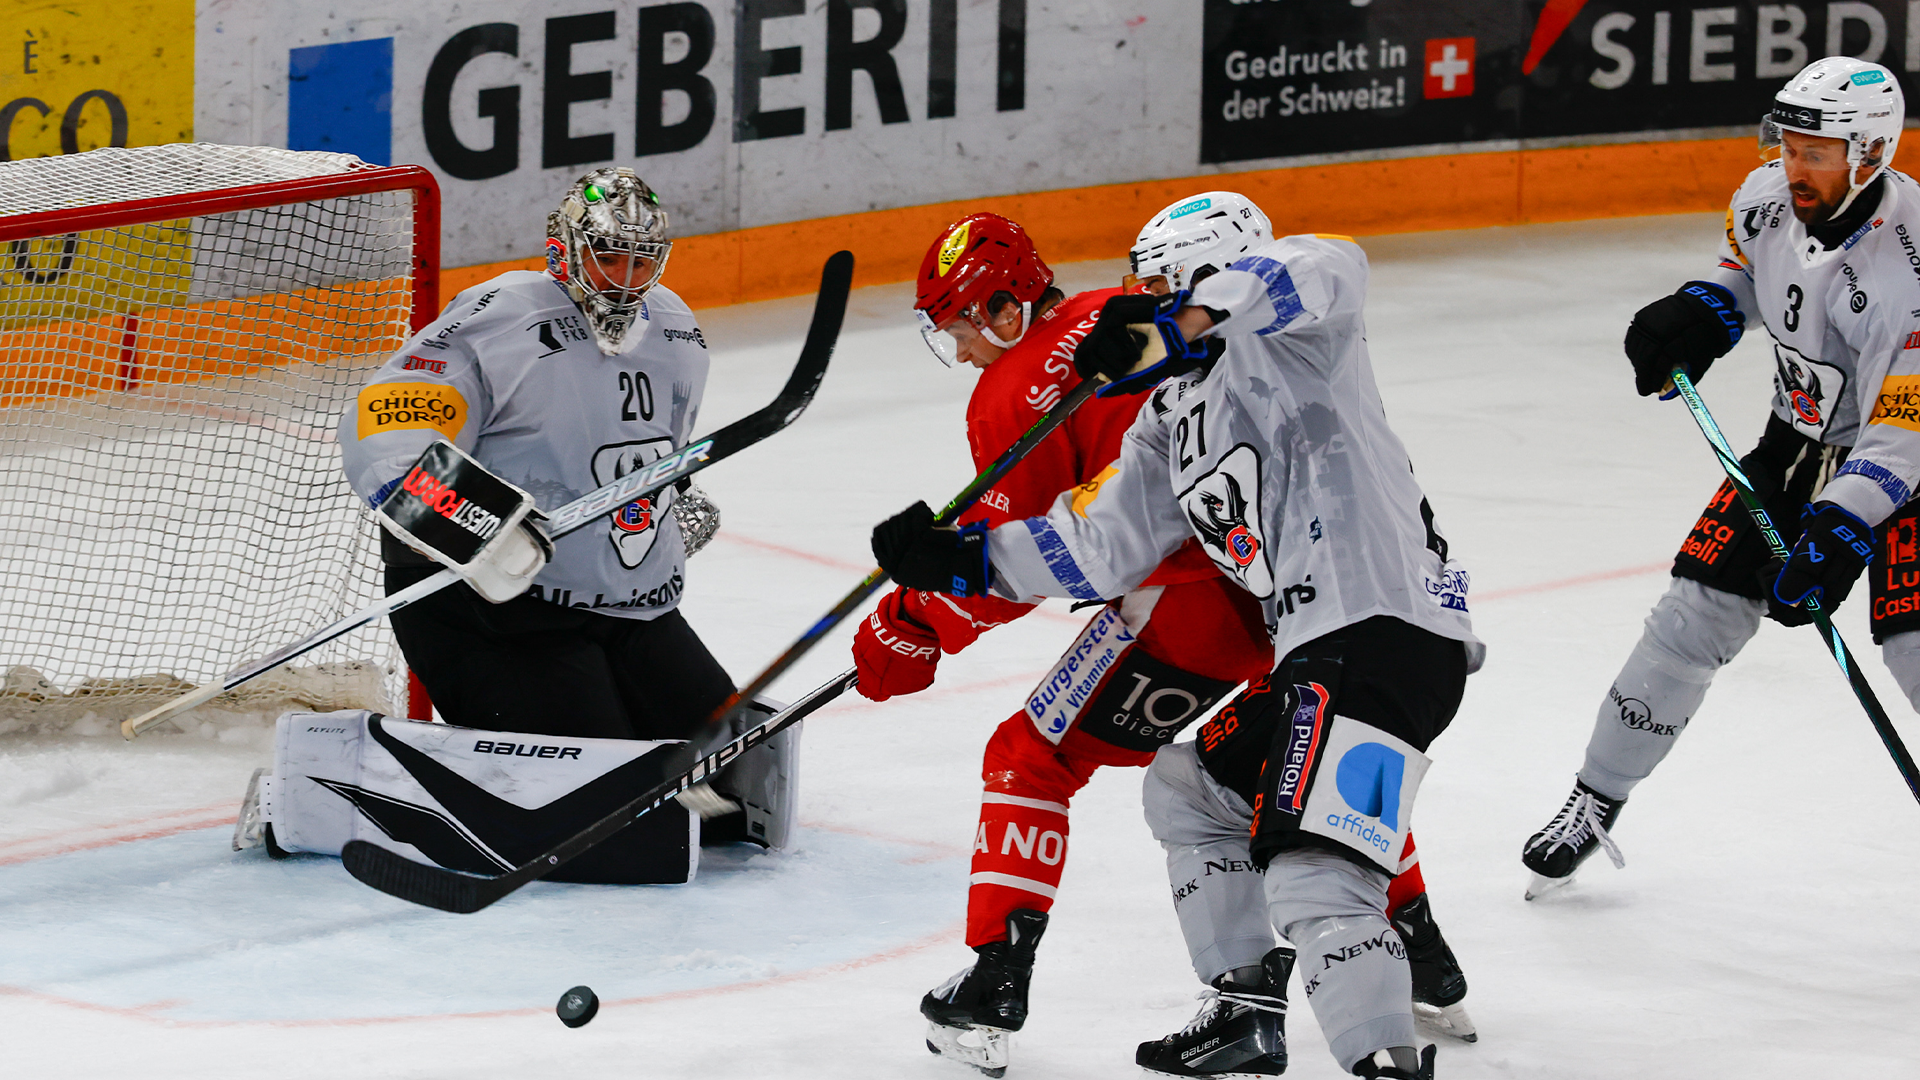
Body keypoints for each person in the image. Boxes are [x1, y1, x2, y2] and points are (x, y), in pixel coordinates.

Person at [871, 213, 1482, 1079]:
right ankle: (1243, 1005)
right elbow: (1100, 543)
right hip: (1314, 649)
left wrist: (1178, 324)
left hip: (1371, 625)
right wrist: (964, 560)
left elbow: (1317, 264)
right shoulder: (1170, 410)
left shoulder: (1305, 337)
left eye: (1162, 290)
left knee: (1313, 869)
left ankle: (1385, 1060)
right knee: (1192, 790)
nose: (1147, 306)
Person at [231, 168, 795, 881]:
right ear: (565, 251)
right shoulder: (501, 318)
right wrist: (476, 522)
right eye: (607, 256)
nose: (625, 277)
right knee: (617, 817)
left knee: (739, 777)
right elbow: (386, 427)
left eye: (641, 260)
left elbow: (642, 454)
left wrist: (666, 505)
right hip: (487, 609)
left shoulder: (678, 331)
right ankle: (316, 792)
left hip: (623, 612)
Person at [1520, 56, 1920, 899]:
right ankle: (1595, 801)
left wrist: (1844, 527)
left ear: (1873, 153)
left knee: (1918, 648)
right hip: (1794, 445)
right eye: (1790, 144)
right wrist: (1703, 310)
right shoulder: (1766, 196)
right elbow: (1743, 273)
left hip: (1906, 465)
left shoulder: (1911, 267)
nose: (1794, 165)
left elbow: (1904, 429)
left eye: (1818, 152)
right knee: (1687, 621)